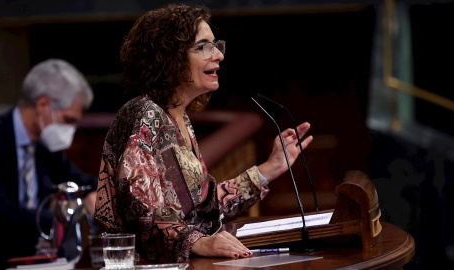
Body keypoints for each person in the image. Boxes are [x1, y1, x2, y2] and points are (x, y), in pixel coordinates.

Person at [92, 4, 313, 263]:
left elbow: (204, 208)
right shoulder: (143, 113)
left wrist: (269, 168)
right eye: (203, 47)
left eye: (216, 45)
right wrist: (197, 241)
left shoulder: (179, 118)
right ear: (168, 57)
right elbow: (140, 207)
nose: (218, 55)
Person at [0, 59, 98, 269]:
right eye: (68, 120)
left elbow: (79, 181)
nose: (71, 130)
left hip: (43, 260)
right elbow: (1, 215)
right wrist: (66, 215)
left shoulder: (46, 147)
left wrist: (99, 192)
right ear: (43, 105)